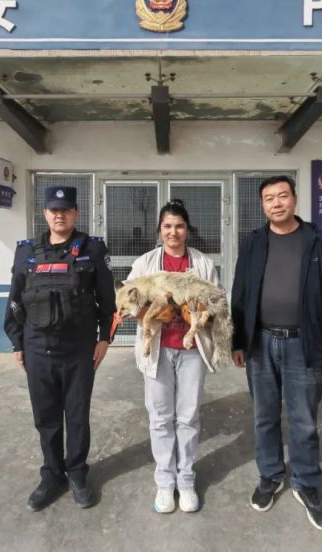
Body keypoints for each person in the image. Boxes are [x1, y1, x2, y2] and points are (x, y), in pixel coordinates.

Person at [230, 175, 322, 531]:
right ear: (262, 205)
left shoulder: (317, 243)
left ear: (295, 199)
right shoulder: (253, 243)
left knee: (303, 419)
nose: (276, 203)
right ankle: (270, 475)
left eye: (282, 196)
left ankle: (306, 482)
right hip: (260, 343)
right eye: (269, 198)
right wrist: (238, 340)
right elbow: (240, 292)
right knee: (264, 416)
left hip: (304, 344)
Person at [4, 186, 116, 512]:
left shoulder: (92, 250)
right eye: (54, 210)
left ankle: (77, 474)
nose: (59, 215)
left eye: (65, 210)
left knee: (77, 416)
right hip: (37, 348)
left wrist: (104, 339)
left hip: (79, 350)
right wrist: (16, 342)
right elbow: (14, 300)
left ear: (76, 214)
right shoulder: (26, 252)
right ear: (45, 214)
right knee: (46, 417)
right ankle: (52, 475)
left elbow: (108, 301)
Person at [125, 199, 221, 514]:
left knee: (188, 416)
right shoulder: (145, 264)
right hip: (158, 350)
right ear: (159, 230)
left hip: (192, 351)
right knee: (160, 417)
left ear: (187, 230)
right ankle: (165, 482)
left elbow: (217, 302)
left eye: (179, 226)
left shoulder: (202, 264)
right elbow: (128, 302)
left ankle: (186, 480)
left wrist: (202, 314)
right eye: (167, 226)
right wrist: (151, 313)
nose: (173, 232)